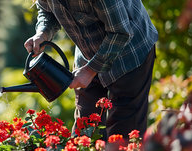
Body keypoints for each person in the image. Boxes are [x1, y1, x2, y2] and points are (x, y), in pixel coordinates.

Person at [24, 0, 158, 140]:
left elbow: (121, 32)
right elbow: (46, 11)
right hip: (87, 54)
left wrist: (90, 71)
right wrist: (42, 33)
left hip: (129, 53)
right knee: (85, 132)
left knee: (122, 135)